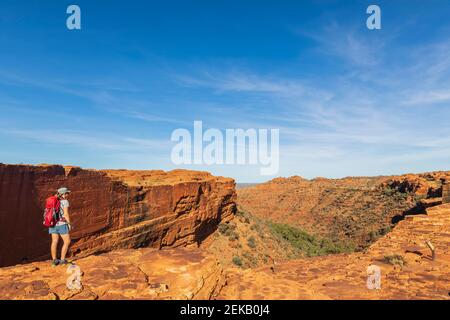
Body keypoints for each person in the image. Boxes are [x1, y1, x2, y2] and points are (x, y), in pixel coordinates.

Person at [49, 187, 73, 267]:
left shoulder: (53, 200)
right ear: (62, 194)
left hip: (52, 224)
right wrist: (69, 224)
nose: (67, 195)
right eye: (66, 193)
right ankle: (62, 260)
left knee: (54, 241)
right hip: (62, 224)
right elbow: (66, 214)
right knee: (67, 241)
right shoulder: (65, 201)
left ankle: (54, 261)